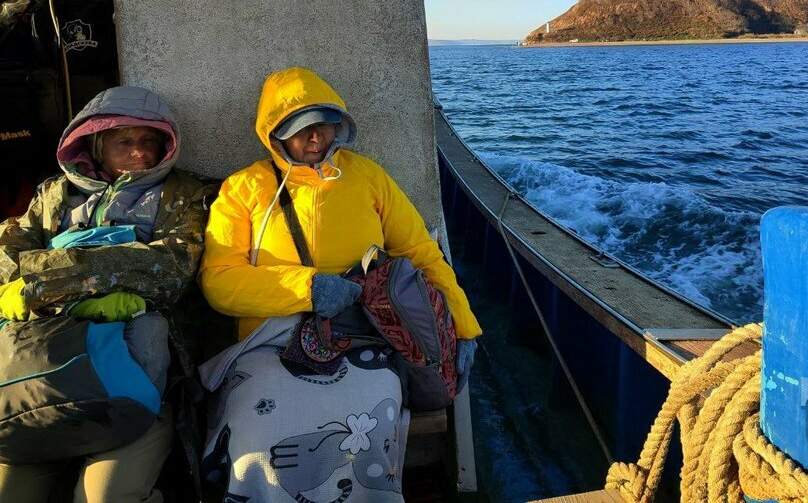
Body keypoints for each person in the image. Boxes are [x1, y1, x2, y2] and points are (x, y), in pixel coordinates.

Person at [198, 67, 481, 502]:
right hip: (269, 341)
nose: (315, 137)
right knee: (257, 439)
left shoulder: (368, 176)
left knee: (365, 432)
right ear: (274, 133)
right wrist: (309, 289)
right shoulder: (243, 188)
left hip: (366, 337)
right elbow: (218, 281)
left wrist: (464, 326)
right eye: (300, 128)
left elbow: (421, 253)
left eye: (324, 124)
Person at [0, 85, 214, 503]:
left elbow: (169, 270)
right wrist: (108, 267)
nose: (140, 152)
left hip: (132, 380)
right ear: (95, 146)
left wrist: (44, 279)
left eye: (150, 141)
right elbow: (7, 258)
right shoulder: (53, 194)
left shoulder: (184, 193)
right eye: (124, 142)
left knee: (106, 497)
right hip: (41, 373)